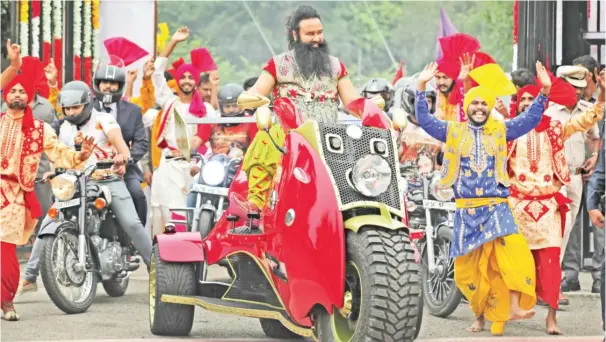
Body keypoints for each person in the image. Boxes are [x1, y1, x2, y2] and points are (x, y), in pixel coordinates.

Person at [414, 60, 552, 335]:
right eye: (475, 104)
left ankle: (510, 308)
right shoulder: (453, 131)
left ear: (490, 108)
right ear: (468, 108)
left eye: (484, 105)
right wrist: (420, 88)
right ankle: (479, 315)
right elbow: (427, 122)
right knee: (471, 270)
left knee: (512, 256)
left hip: (497, 208)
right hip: (467, 211)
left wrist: (544, 93)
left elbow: (529, 120)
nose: (479, 108)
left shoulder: (501, 131)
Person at [507, 73, 605, 334]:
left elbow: (589, 118)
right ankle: (511, 306)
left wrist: (603, 94)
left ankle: (551, 318)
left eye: (532, 98)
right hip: (517, 205)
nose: (527, 103)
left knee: (551, 263)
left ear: (541, 101)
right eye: (523, 99)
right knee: (516, 261)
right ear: (517, 104)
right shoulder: (509, 129)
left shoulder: (555, 127)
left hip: (548, 206)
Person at [1, 53, 95, 321]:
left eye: (22, 90)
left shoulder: (40, 130)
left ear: (29, 96)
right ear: (6, 95)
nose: (17, 94)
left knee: (6, 246)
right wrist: (14, 66)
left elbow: (61, 154)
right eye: (13, 90)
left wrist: (81, 156)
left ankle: (6, 302)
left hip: (16, 195)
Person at [149, 26, 216, 235]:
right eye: (183, 76)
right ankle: (161, 260)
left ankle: (188, 258)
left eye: (190, 77)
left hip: (193, 166)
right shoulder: (168, 101)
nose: (186, 80)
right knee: (161, 215)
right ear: (177, 80)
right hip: (167, 166)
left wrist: (189, 155)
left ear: (196, 81)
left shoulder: (207, 110)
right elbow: (157, 71)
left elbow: (201, 138)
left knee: (188, 216)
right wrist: (173, 42)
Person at [249, 4, 359, 121]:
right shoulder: (277, 65)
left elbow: (352, 102)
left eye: (320, 32)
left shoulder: (336, 66)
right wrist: (248, 97)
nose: (317, 38)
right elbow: (257, 91)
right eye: (310, 34)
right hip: (288, 137)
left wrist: (371, 108)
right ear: (295, 35)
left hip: (327, 137)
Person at [548, 66, 602, 298]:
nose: (578, 92)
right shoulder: (549, 111)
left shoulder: (587, 110)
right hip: (553, 180)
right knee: (552, 231)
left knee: (567, 230)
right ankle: (550, 285)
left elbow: (595, 139)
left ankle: (552, 284)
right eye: (573, 87)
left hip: (577, 177)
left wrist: (594, 158)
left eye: (581, 88)